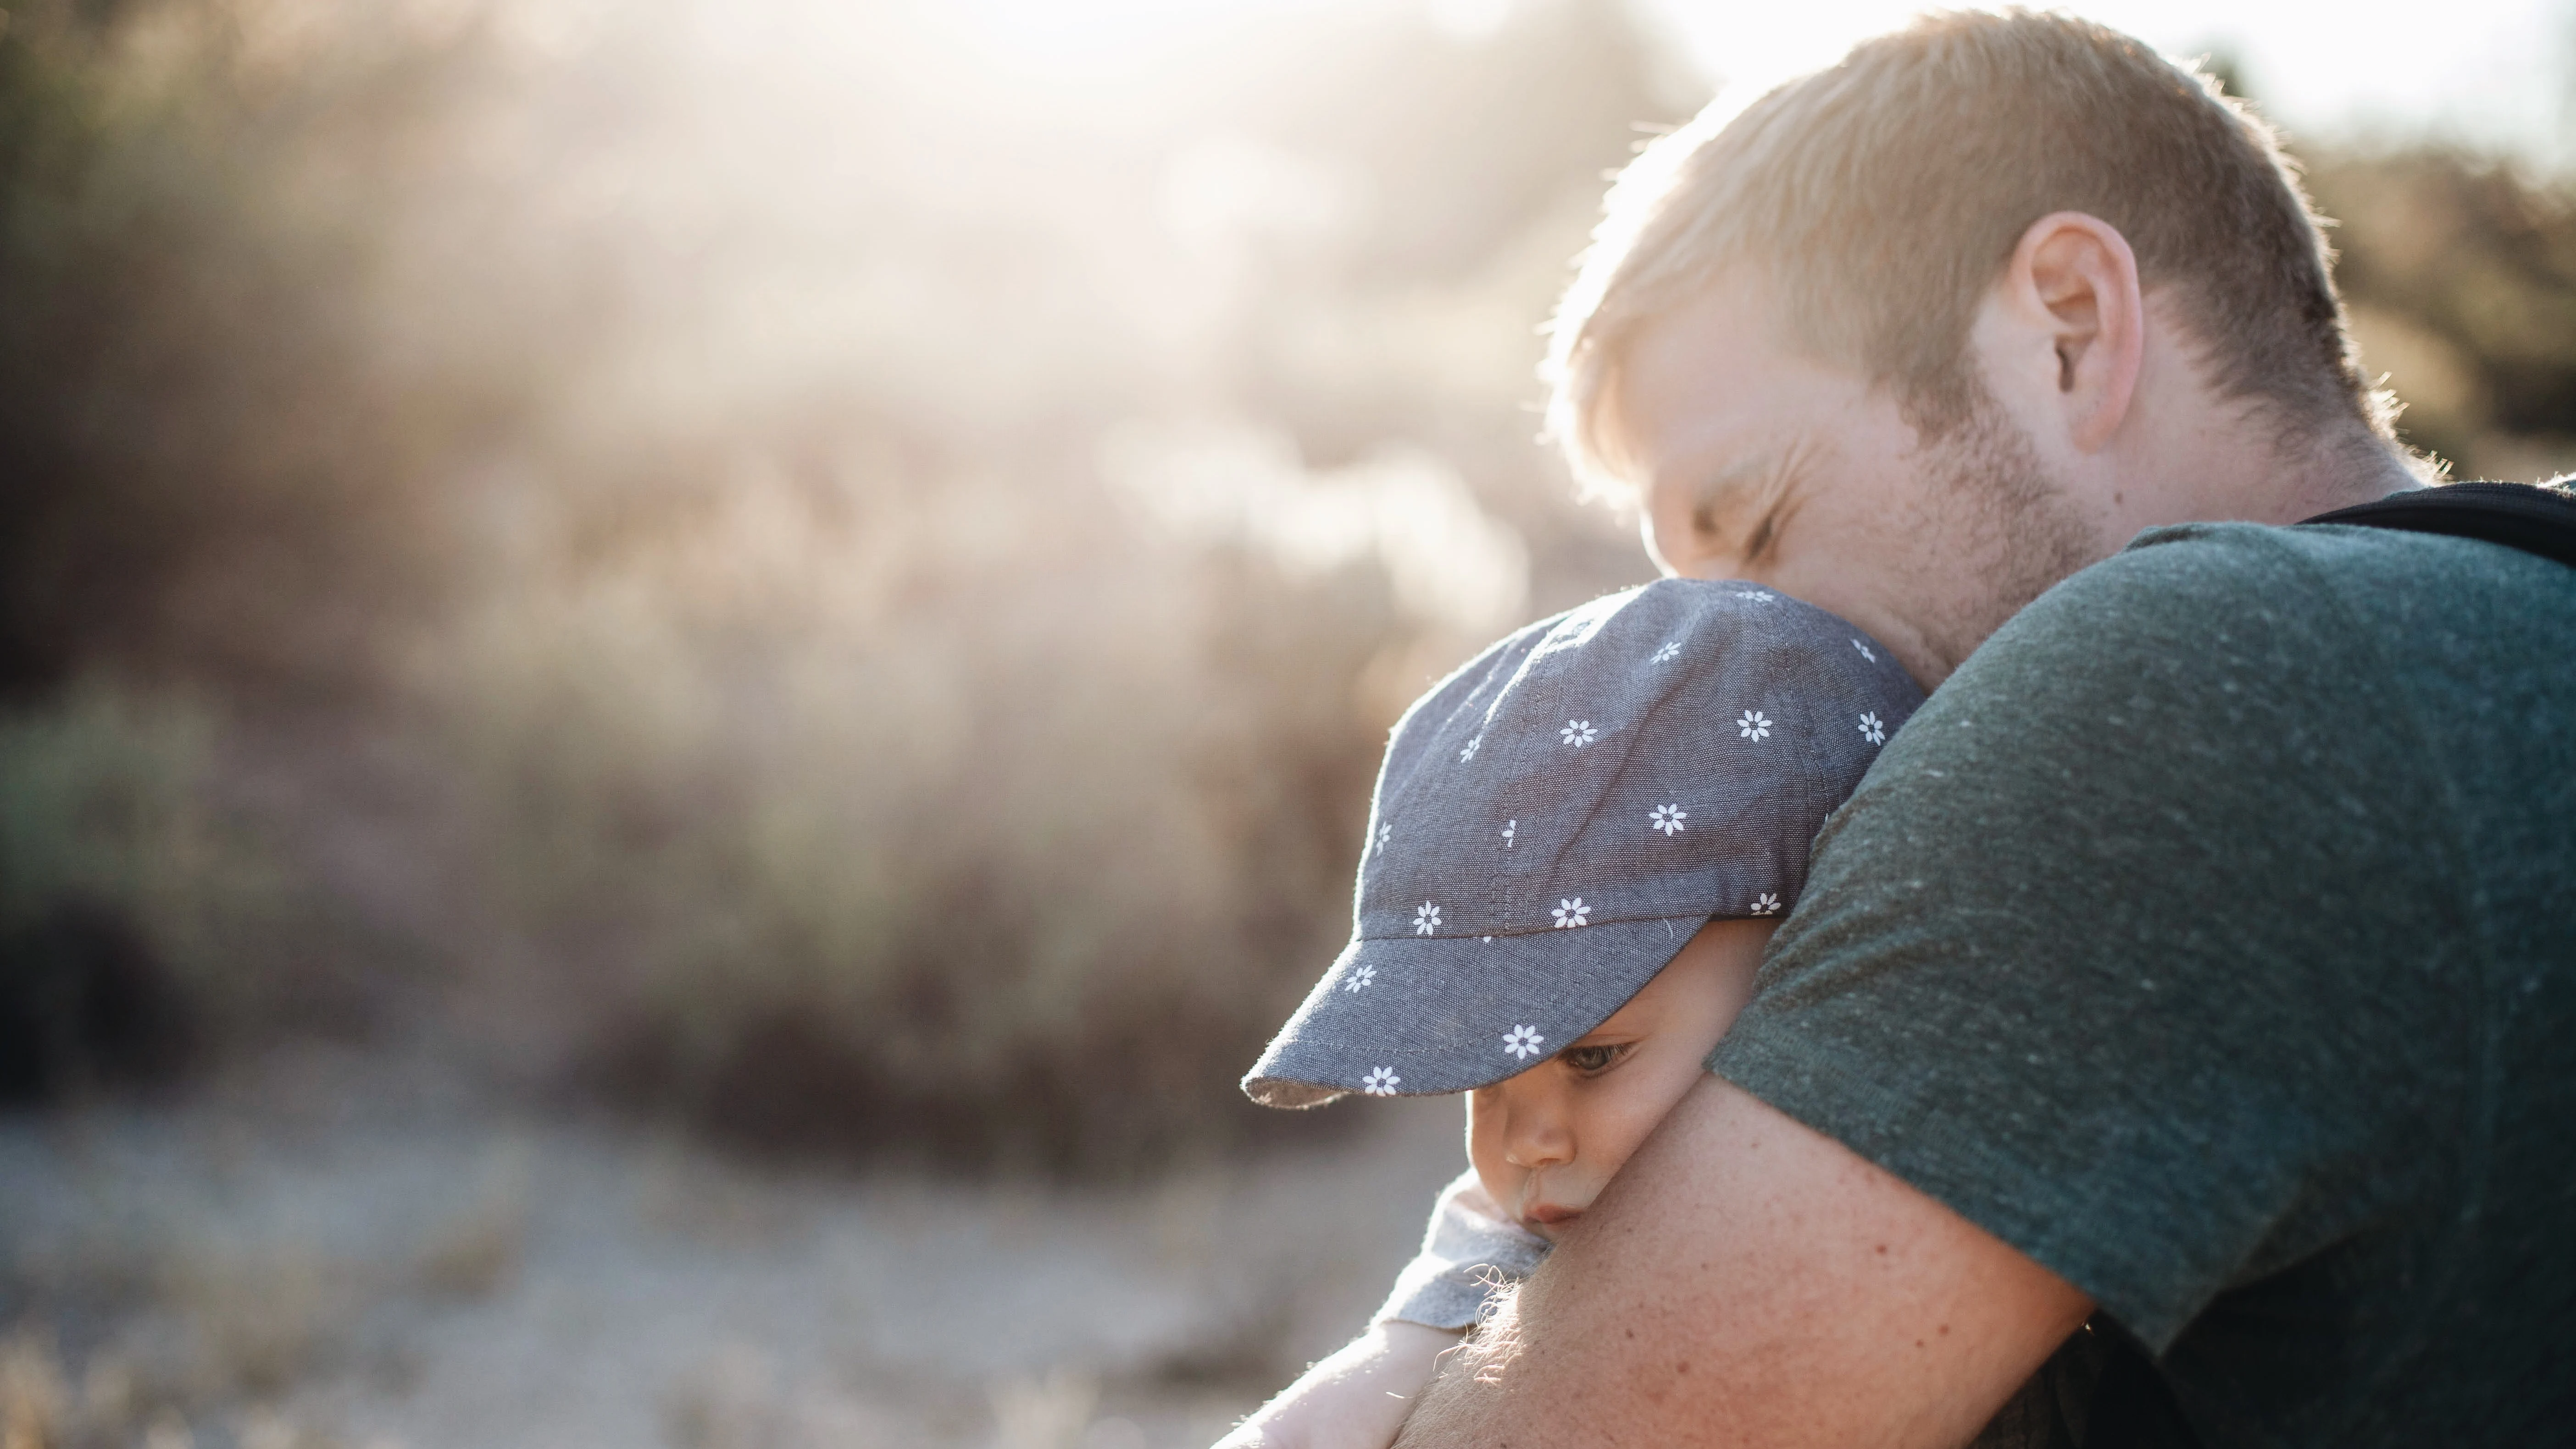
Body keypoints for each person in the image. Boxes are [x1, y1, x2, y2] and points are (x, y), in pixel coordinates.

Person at [1385, 11, 2576, 1448]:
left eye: (1757, 525)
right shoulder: (2514, 615)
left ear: (2071, 325)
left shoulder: (2169, 691)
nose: (1719, 666)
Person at [1216, 579, 1927, 1449]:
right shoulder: (1524, 1239)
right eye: (1483, 1082)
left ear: (1810, 958)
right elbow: (1355, 1396)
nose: (1525, 1144)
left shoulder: (1927, 1187)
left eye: (1592, 1058)